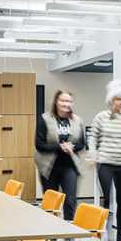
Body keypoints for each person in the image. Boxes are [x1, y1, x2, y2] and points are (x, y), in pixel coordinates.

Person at [89, 81, 121, 241]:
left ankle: (120, 234)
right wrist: (92, 155)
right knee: (107, 197)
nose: (120, 102)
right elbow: (93, 138)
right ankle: (106, 230)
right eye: (117, 99)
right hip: (105, 163)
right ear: (111, 100)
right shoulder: (101, 117)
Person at [34, 88, 85, 229]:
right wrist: (60, 146)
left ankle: (69, 234)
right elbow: (39, 145)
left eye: (69, 101)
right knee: (51, 203)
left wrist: (72, 147)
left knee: (70, 200)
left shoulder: (77, 120)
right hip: (49, 167)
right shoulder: (45, 118)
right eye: (63, 100)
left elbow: (82, 144)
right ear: (56, 101)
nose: (66, 104)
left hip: (70, 166)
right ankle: (52, 235)